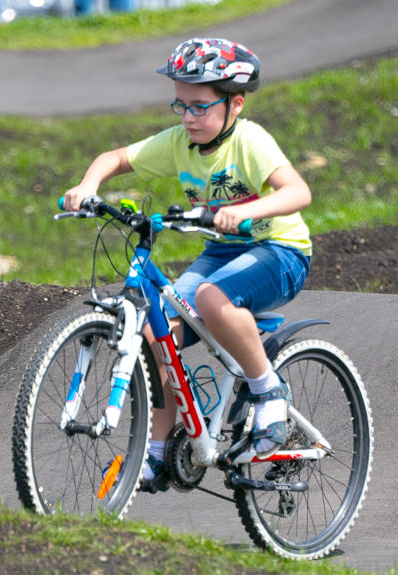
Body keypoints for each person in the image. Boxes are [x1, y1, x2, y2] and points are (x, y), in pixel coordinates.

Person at [63, 37, 313, 492]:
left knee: (210, 298)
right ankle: (156, 453)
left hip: (280, 250)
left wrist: (247, 211)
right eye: (180, 106)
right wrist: (88, 185)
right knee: (153, 331)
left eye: (200, 106)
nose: (189, 117)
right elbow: (116, 158)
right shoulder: (180, 142)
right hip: (223, 252)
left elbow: (299, 193)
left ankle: (268, 391)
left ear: (234, 104)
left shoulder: (250, 141)